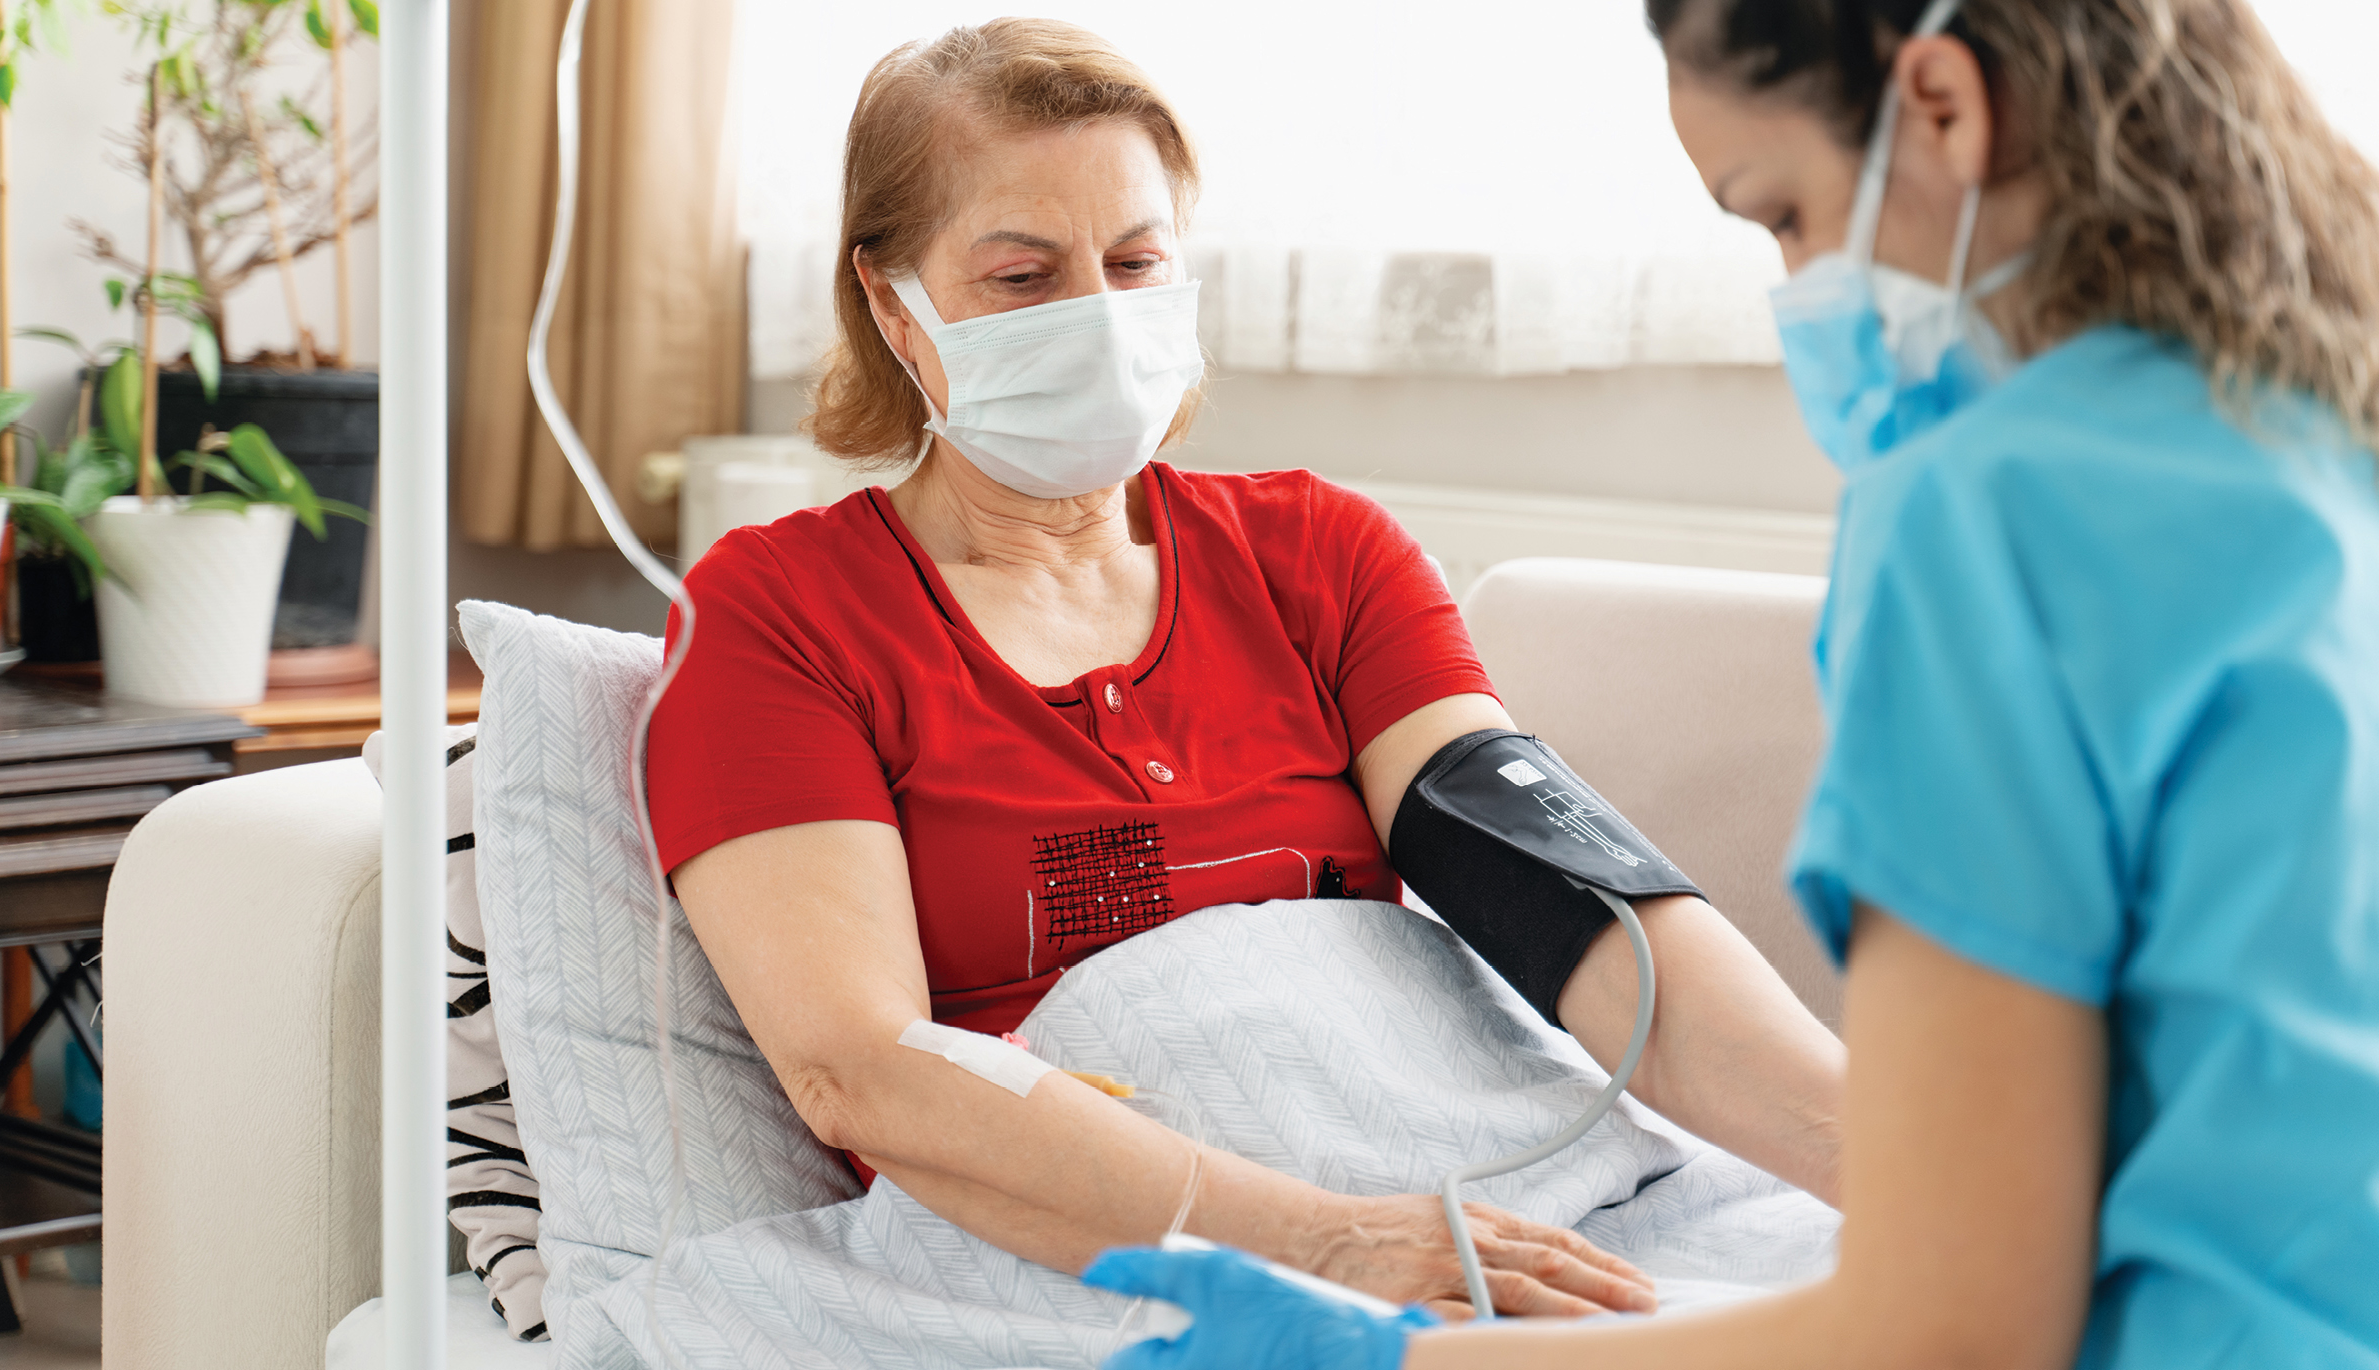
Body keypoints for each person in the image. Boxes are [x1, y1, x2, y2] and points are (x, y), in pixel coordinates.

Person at [1087, 0, 2379, 1365]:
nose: (1797, 281)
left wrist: (1395, 1357)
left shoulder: (1980, 515)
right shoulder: (2321, 426)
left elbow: (1953, 1319)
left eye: (1786, 214)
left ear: (1942, 103)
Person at [647, 17, 1847, 1324]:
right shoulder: (781, 613)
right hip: (1113, 1248)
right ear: (892, 302)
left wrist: (1897, 1159)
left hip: (1468, 1175)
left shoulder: (1321, 554)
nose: (1097, 320)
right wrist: (1319, 1243)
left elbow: (1575, 906)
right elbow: (857, 1065)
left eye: (1135, 260)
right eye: (1021, 276)